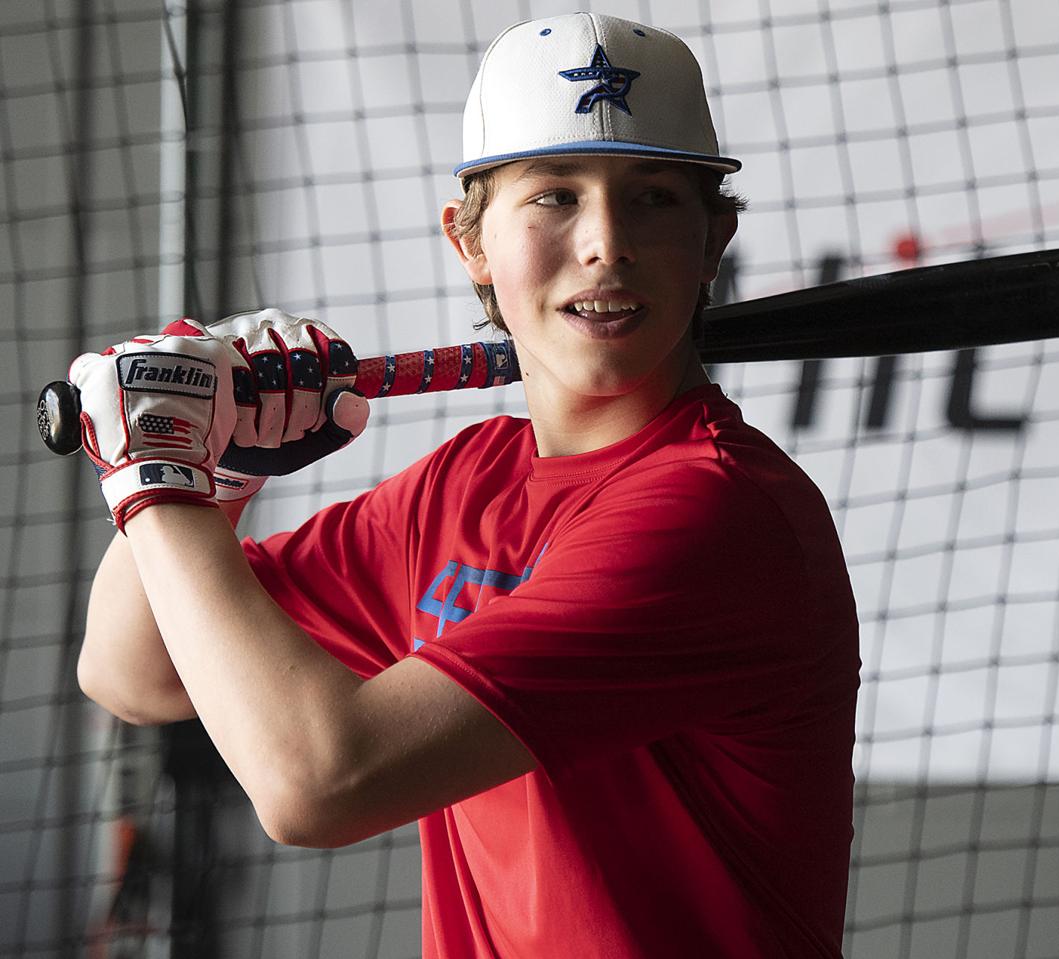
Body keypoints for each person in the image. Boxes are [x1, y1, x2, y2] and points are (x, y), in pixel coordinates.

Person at [73, 12, 860, 958]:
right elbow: (136, 671)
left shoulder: (720, 515)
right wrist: (221, 472)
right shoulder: (467, 484)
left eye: (652, 197)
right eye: (556, 195)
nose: (606, 242)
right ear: (471, 241)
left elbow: (319, 784)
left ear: (714, 238)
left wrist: (157, 477)